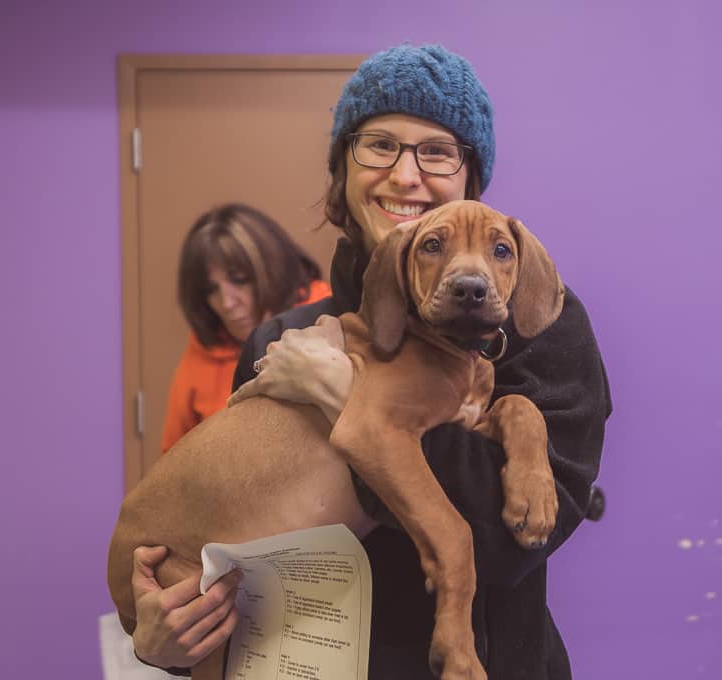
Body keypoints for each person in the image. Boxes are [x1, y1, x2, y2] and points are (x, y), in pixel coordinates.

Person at [130, 44, 612, 679]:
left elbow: (514, 547)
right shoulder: (284, 343)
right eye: (378, 144)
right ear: (342, 169)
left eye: (436, 150)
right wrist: (159, 644)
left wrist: (343, 395)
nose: (406, 176)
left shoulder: (537, 324)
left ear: (470, 174)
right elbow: (235, 536)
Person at [160, 203, 331, 453]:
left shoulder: (329, 320)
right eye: (211, 290)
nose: (227, 303)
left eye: (240, 280)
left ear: (273, 270)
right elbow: (172, 465)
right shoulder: (203, 351)